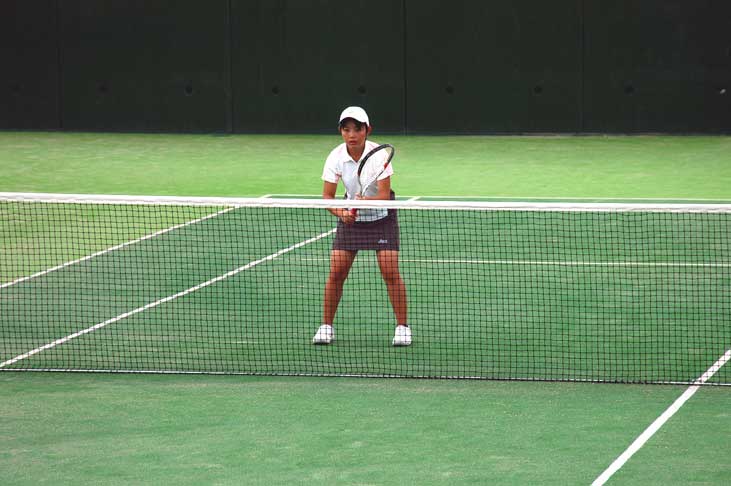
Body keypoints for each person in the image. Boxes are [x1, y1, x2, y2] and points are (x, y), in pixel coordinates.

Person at [312, 106, 411, 346]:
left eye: (357, 129)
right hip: (352, 221)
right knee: (337, 272)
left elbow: (384, 195)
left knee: (389, 270)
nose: (352, 135)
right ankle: (326, 327)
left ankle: (402, 327)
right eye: (346, 129)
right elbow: (327, 197)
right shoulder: (335, 157)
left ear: (367, 130)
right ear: (341, 131)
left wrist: (364, 201)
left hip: (382, 218)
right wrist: (342, 213)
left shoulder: (379, 155)